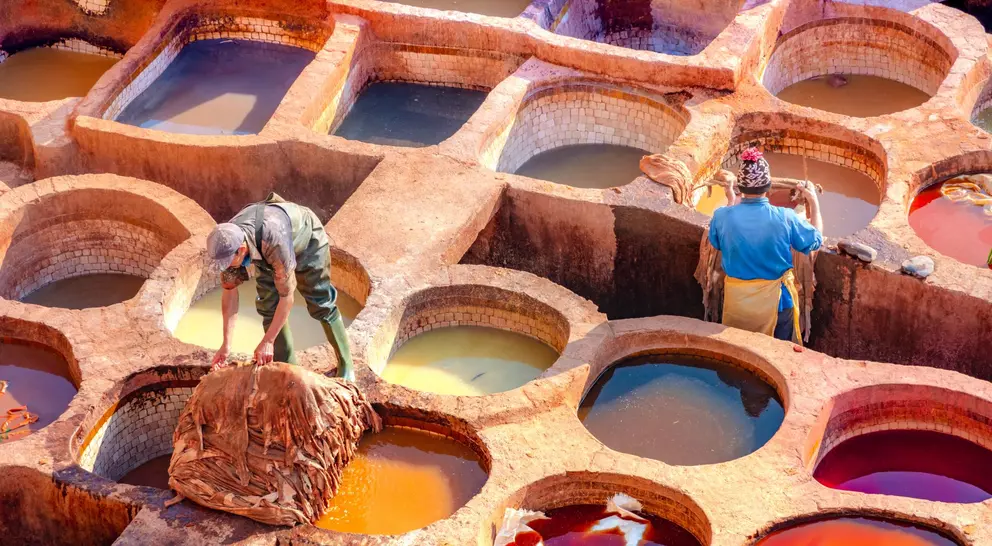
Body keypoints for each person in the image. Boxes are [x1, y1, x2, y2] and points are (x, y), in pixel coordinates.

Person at [205, 192, 355, 380]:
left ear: (241, 250)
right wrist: (226, 345)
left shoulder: (273, 241)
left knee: (320, 301)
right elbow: (229, 293)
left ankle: (346, 363)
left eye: (228, 262)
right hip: (264, 249)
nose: (225, 267)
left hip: (306, 240)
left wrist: (268, 341)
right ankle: (289, 370)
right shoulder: (228, 240)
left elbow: (287, 297)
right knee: (268, 305)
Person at [708, 148, 823, 344]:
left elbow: (717, 241)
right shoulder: (785, 218)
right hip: (777, 304)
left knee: (738, 351)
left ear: (739, 187)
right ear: (768, 187)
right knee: (775, 355)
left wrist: (729, 200)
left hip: (738, 303)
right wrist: (814, 202)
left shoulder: (721, 215)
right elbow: (815, 241)